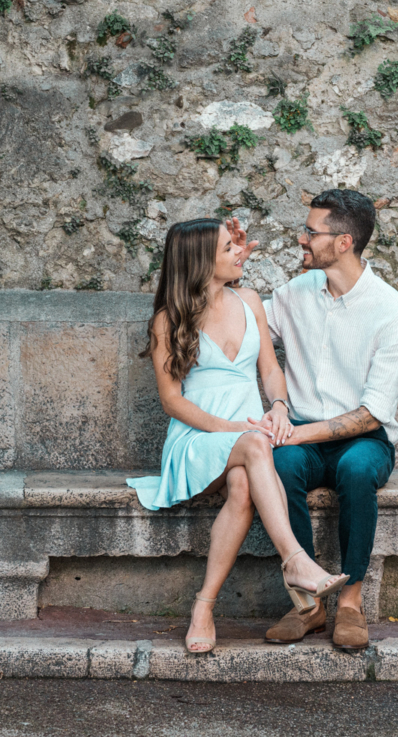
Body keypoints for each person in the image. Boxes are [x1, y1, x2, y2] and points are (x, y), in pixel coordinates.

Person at [128, 218, 350, 655]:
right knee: (254, 447)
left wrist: (281, 407)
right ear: (200, 261)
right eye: (228, 248)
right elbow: (172, 401)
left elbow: (269, 368)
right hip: (197, 438)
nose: (239, 253)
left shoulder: (249, 300)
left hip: (249, 437)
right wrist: (240, 429)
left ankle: (203, 607)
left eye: (236, 247)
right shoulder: (168, 320)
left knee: (245, 481)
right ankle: (296, 562)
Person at [236, 189, 398, 651]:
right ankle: (309, 604)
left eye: (311, 232)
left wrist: (291, 431)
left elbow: (372, 413)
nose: (302, 239)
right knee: (283, 466)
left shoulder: (390, 310)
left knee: (356, 472)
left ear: (343, 243)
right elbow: (240, 327)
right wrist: (227, 267)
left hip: (365, 440)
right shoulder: (295, 294)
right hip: (303, 437)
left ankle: (351, 602)